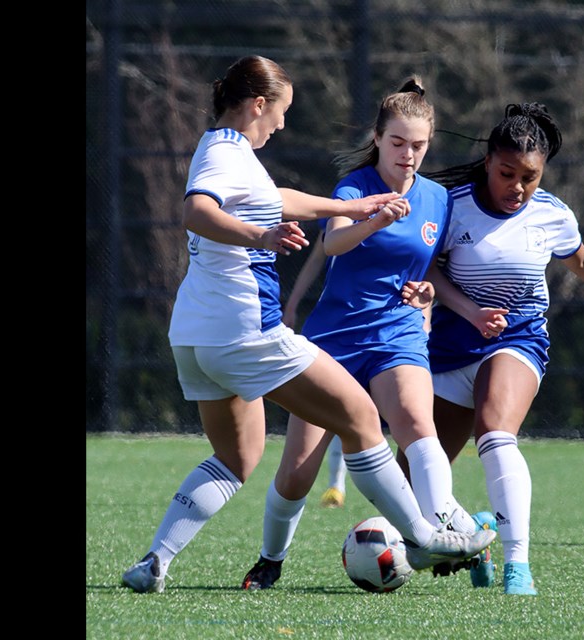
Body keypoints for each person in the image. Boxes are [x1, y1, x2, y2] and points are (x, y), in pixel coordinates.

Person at [120, 56, 495, 594]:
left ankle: (155, 561)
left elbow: (281, 200)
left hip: (195, 335)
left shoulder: (227, 150)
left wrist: (357, 206)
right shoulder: (227, 153)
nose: (282, 123)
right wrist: (261, 239)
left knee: (236, 456)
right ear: (257, 104)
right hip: (245, 329)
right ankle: (424, 535)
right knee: (362, 418)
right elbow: (196, 211)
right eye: (282, 111)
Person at [407, 102, 584, 596]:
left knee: (493, 430)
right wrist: (467, 311)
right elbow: (428, 268)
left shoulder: (551, 212)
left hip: (516, 339)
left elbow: (583, 260)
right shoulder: (451, 205)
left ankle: (517, 566)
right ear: (488, 161)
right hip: (448, 347)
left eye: (529, 177)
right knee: (417, 478)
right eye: (508, 174)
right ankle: (475, 535)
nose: (518, 188)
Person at [240, 77, 492, 591]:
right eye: (398, 143)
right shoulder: (355, 187)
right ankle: (271, 559)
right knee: (298, 471)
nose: (408, 154)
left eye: (418, 145)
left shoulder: (436, 199)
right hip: (334, 339)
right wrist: (374, 220)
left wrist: (427, 293)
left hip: (397, 335)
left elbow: (430, 269)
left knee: (420, 427)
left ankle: (442, 528)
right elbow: (332, 244)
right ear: (378, 139)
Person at [280, 236, 347, 509]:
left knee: (364, 419)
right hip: (335, 326)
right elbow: (317, 257)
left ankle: (430, 516)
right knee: (335, 411)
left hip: (387, 331)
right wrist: (293, 303)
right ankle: (336, 485)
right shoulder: (343, 203)